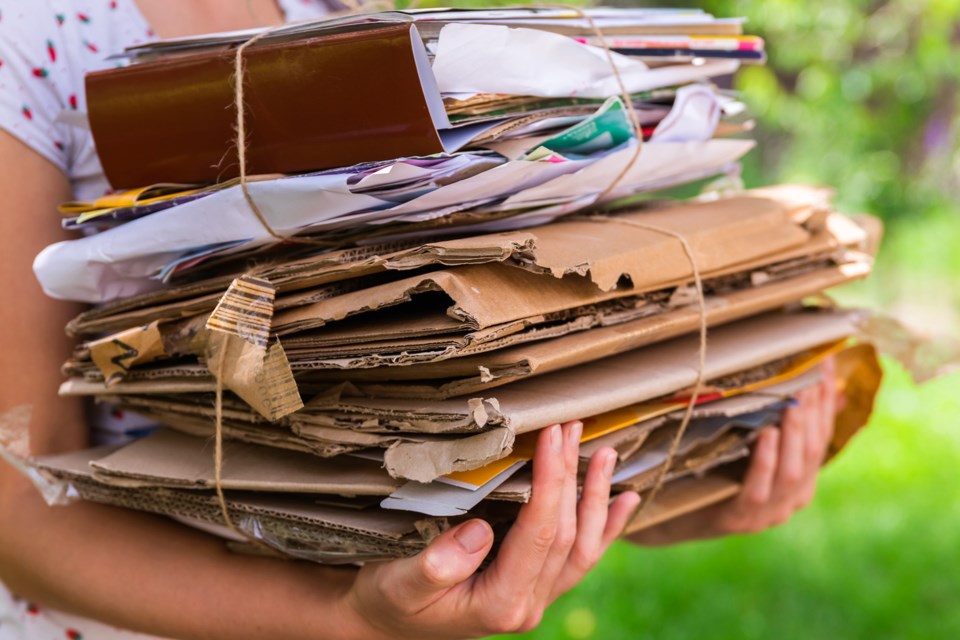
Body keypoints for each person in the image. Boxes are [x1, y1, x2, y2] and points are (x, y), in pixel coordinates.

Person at [0, 1, 839, 638]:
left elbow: (442, 384)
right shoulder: (31, 38)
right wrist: (352, 620)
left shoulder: (333, 20)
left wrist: (675, 488)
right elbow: (17, 510)